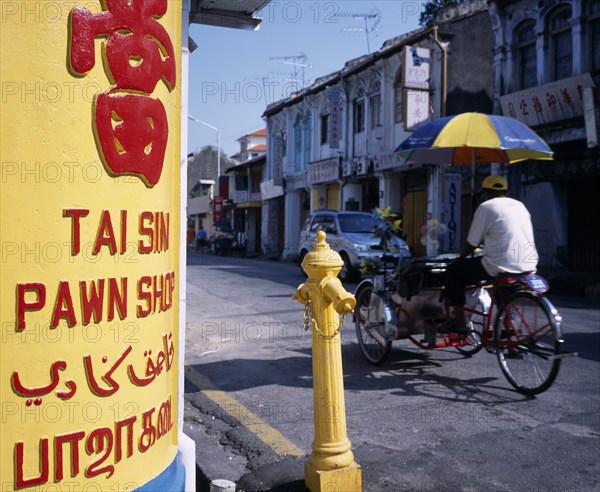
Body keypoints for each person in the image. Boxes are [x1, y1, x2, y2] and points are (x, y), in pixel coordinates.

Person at [442, 175, 538, 336]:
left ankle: (459, 324)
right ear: (505, 191)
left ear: (485, 192)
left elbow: (472, 242)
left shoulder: (486, 206)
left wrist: (458, 259)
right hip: (528, 264)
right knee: (505, 293)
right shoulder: (520, 205)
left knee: (453, 273)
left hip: (499, 263)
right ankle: (511, 338)